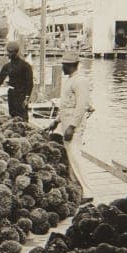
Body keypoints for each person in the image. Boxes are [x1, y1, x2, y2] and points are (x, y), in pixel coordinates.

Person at [47, 49, 93, 183]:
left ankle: (87, 191)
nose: (62, 67)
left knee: (75, 155)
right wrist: (56, 121)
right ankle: (75, 183)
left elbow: (81, 106)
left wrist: (72, 127)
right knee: (70, 155)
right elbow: (66, 105)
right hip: (66, 122)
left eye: (64, 65)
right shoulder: (71, 80)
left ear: (71, 65)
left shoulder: (80, 81)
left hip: (74, 125)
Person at [0, 40, 34, 120]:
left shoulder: (26, 66)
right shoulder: (7, 66)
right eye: (8, 52)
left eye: (11, 52)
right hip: (11, 94)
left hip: (21, 96)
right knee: (12, 115)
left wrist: (27, 97)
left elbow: (30, 83)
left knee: (23, 118)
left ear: (16, 52)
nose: (9, 54)